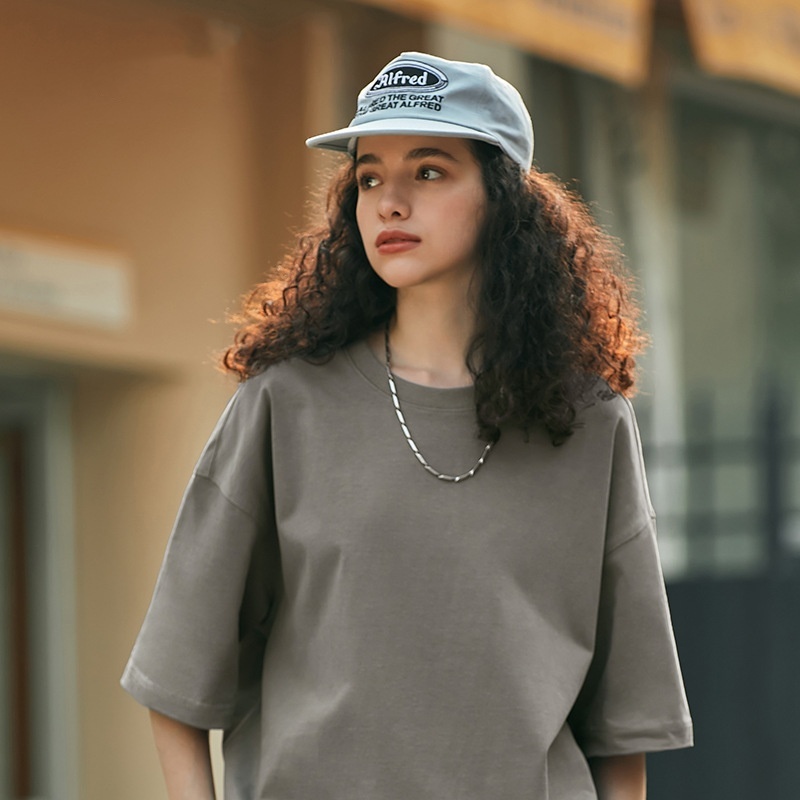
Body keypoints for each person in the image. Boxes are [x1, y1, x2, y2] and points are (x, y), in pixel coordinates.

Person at [121, 51, 693, 800]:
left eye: (428, 171)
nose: (388, 203)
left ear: (503, 198)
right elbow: (176, 676)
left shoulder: (590, 424)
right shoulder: (285, 404)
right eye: (368, 178)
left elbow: (624, 727)